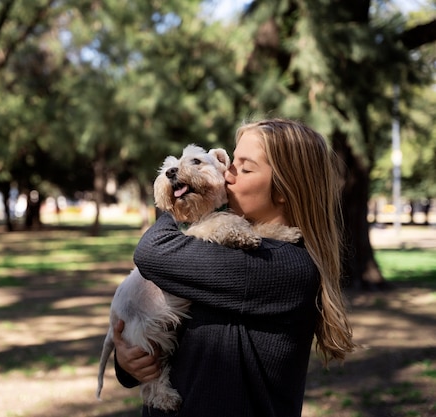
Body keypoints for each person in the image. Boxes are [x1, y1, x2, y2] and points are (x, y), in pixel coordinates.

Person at [112, 118, 357, 417]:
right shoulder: (229, 247)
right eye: (231, 163)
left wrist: (178, 196)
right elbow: (173, 334)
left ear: (283, 190)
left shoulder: (278, 266)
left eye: (244, 168)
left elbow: (152, 252)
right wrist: (129, 362)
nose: (226, 175)